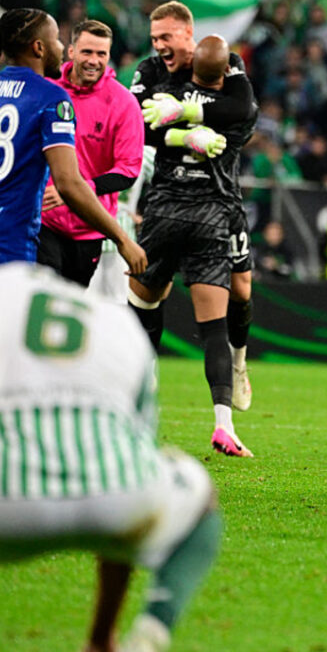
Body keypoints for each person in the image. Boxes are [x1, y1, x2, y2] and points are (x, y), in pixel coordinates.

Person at [0, 262, 220, 652]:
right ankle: (148, 639)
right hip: (119, 502)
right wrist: (101, 636)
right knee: (200, 497)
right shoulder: (119, 321)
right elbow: (135, 457)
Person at [0, 8, 146, 307]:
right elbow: (68, 183)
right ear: (39, 47)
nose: (60, 48)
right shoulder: (51, 98)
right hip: (12, 246)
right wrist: (122, 239)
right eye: (57, 40)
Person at [131, 34, 259, 459]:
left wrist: (178, 123)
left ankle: (135, 407)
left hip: (167, 212)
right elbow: (240, 112)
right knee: (213, 326)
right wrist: (187, 136)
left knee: (142, 309)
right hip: (209, 216)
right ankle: (223, 424)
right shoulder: (232, 104)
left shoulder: (171, 94)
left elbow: (144, 129)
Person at [38, 20, 143, 287]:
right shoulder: (47, 90)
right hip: (42, 220)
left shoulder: (124, 104)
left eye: (101, 54)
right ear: (71, 51)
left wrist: (75, 190)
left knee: (67, 308)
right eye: (87, 52)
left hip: (89, 229)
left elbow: (128, 172)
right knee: (45, 293)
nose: (94, 61)